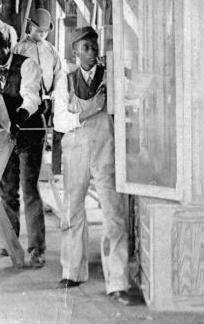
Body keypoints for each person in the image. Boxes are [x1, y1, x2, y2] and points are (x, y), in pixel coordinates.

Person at [54, 27, 135, 306]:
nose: (92, 52)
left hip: (104, 150)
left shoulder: (109, 77)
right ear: (74, 51)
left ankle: (117, 282)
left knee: (113, 213)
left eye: (94, 47)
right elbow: (59, 122)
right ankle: (72, 271)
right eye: (86, 47)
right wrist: (89, 111)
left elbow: (132, 96)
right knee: (72, 210)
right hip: (75, 150)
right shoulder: (65, 81)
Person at [0, 28, 47, 268]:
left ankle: (37, 248)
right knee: (7, 190)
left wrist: (19, 114)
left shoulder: (27, 65)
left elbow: (32, 98)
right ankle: (11, 241)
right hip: (8, 134)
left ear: (6, 44)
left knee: (29, 190)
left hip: (29, 132)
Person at [12, 8, 69, 173]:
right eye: (39, 31)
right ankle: (24, 167)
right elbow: (13, 75)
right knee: (26, 133)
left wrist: (55, 91)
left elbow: (59, 72)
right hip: (27, 100)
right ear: (30, 27)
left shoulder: (51, 49)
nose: (42, 35)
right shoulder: (19, 49)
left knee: (45, 133)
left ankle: (46, 168)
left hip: (47, 99)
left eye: (45, 32)